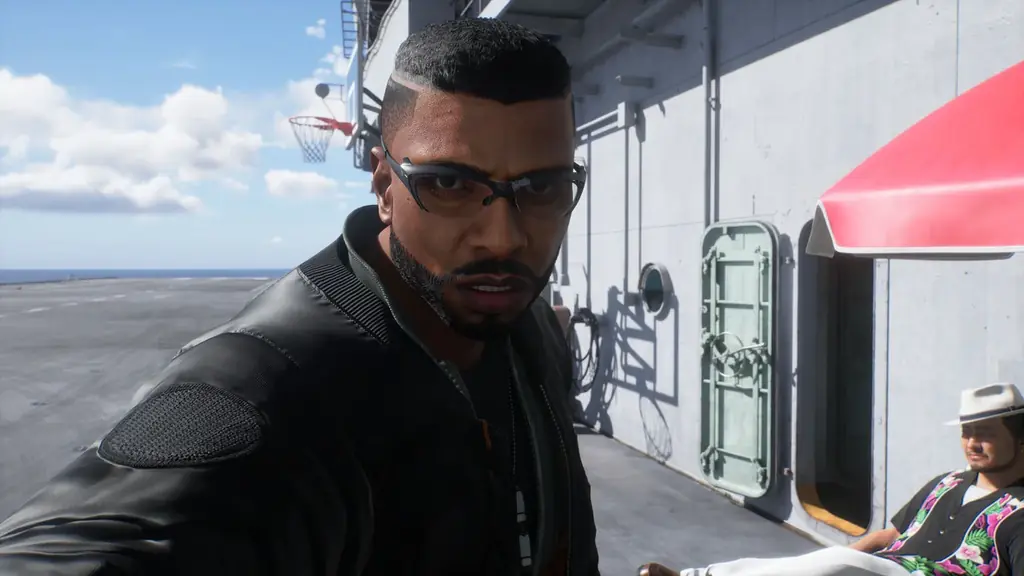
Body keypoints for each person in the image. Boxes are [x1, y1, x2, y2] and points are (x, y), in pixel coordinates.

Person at [0, 18, 601, 575]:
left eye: (541, 188)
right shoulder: (259, 381)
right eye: (448, 183)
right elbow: (95, 545)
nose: (504, 237)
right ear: (383, 185)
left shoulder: (527, 326)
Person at [641, 383, 1024, 576]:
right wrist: (826, 564)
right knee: (830, 563)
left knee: (838, 562)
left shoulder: (1019, 512)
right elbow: (888, 535)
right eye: (967, 432)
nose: (972, 443)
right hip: (885, 566)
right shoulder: (948, 482)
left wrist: (840, 563)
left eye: (986, 434)